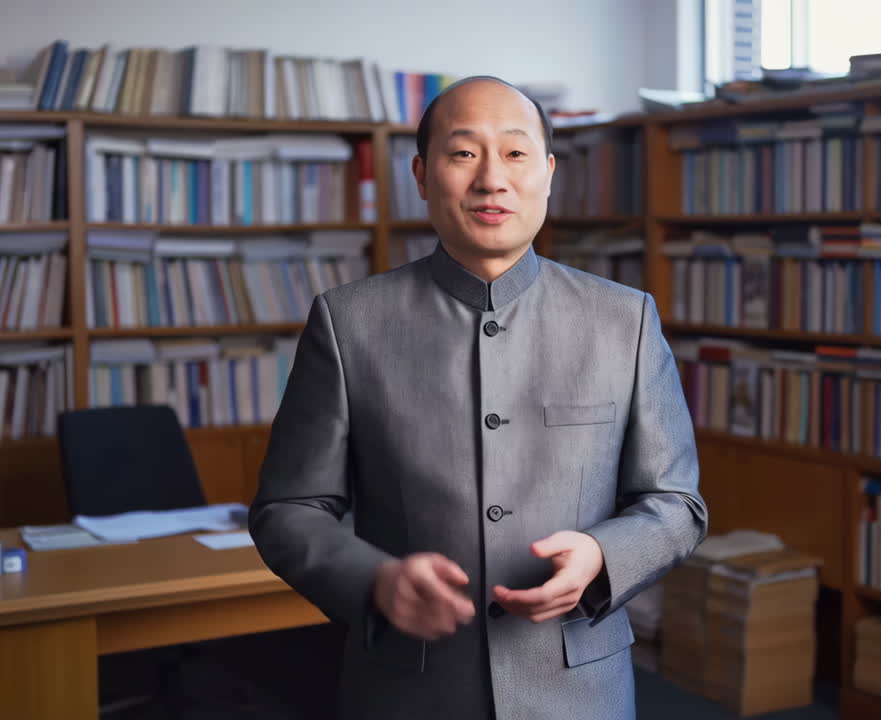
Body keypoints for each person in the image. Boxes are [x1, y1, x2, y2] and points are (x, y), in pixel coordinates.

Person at [249, 75, 707, 720]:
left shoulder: (622, 320)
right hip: (407, 688)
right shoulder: (349, 322)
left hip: (578, 691)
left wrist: (605, 556)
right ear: (421, 173)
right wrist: (373, 580)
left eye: (516, 154)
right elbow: (288, 507)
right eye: (464, 153)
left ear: (548, 173)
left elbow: (676, 504)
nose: (492, 179)